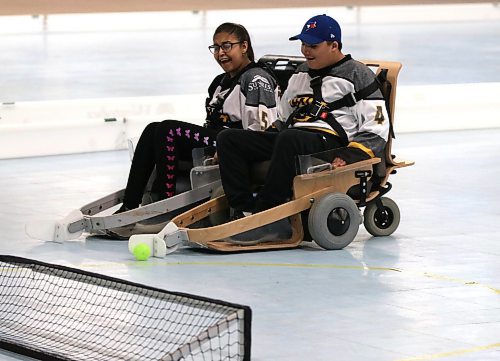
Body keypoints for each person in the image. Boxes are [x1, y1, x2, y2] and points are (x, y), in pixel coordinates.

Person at [216, 14, 390, 240]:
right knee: (229, 138)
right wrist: (258, 141)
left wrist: (351, 155)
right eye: (304, 44)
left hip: (330, 142)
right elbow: (283, 117)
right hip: (291, 137)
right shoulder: (301, 73)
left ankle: (270, 217)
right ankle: (243, 211)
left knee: (290, 138)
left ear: (334, 45)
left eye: (313, 46)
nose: (306, 51)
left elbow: (378, 126)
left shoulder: (357, 74)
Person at [116, 22, 278, 213]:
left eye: (227, 46)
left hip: (236, 143)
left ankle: (165, 204)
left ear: (244, 47)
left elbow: (261, 130)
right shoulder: (219, 82)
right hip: (216, 137)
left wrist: (231, 149)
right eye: (216, 48)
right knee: (153, 128)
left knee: (168, 130)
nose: (220, 53)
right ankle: (130, 203)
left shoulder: (255, 79)